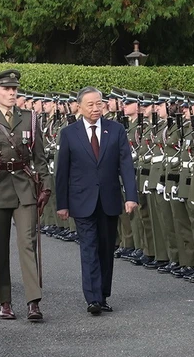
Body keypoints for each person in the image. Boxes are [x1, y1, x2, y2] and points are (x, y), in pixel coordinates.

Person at [0, 70, 52, 321]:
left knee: (28, 244)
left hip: (24, 187)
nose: (12, 93)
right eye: (6, 89)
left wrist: (46, 185)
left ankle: (33, 301)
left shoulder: (30, 119)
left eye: (14, 89)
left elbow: (40, 157)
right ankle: (4, 301)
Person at [55, 86, 139, 314]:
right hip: (82, 200)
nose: (95, 108)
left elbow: (126, 165)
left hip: (109, 199)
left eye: (99, 104)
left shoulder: (116, 130)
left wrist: (131, 196)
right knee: (89, 248)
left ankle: (102, 295)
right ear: (79, 107)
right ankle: (92, 298)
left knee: (105, 248)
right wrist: (61, 204)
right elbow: (62, 171)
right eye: (90, 105)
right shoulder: (70, 133)